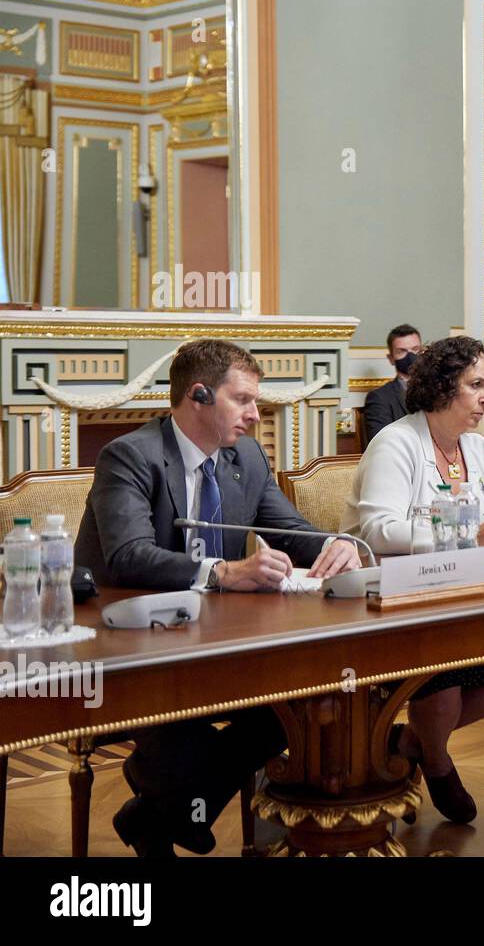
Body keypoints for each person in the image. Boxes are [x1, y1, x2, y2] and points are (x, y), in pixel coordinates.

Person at [75, 339, 361, 857]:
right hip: (129, 642)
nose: (256, 414)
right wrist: (224, 571)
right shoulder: (130, 456)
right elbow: (128, 557)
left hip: (215, 638)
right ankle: (167, 796)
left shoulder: (245, 456)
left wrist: (337, 543)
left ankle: (160, 808)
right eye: (243, 399)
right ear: (199, 395)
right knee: (187, 730)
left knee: (301, 698)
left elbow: (289, 528)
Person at [342, 336, 484, 822]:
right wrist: (468, 533)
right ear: (441, 386)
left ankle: (411, 742)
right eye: (476, 385)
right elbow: (380, 530)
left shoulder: (479, 449)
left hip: (467, 592)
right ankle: (437, 763)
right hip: (388, 599)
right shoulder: (396, 442)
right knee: (444, 676)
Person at [362, 323, 422, 443]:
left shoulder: (439, 391)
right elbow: (380, 442)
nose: (410, 356)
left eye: (415, 349)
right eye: (402, 351)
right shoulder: (380, 397)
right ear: (391, 358)